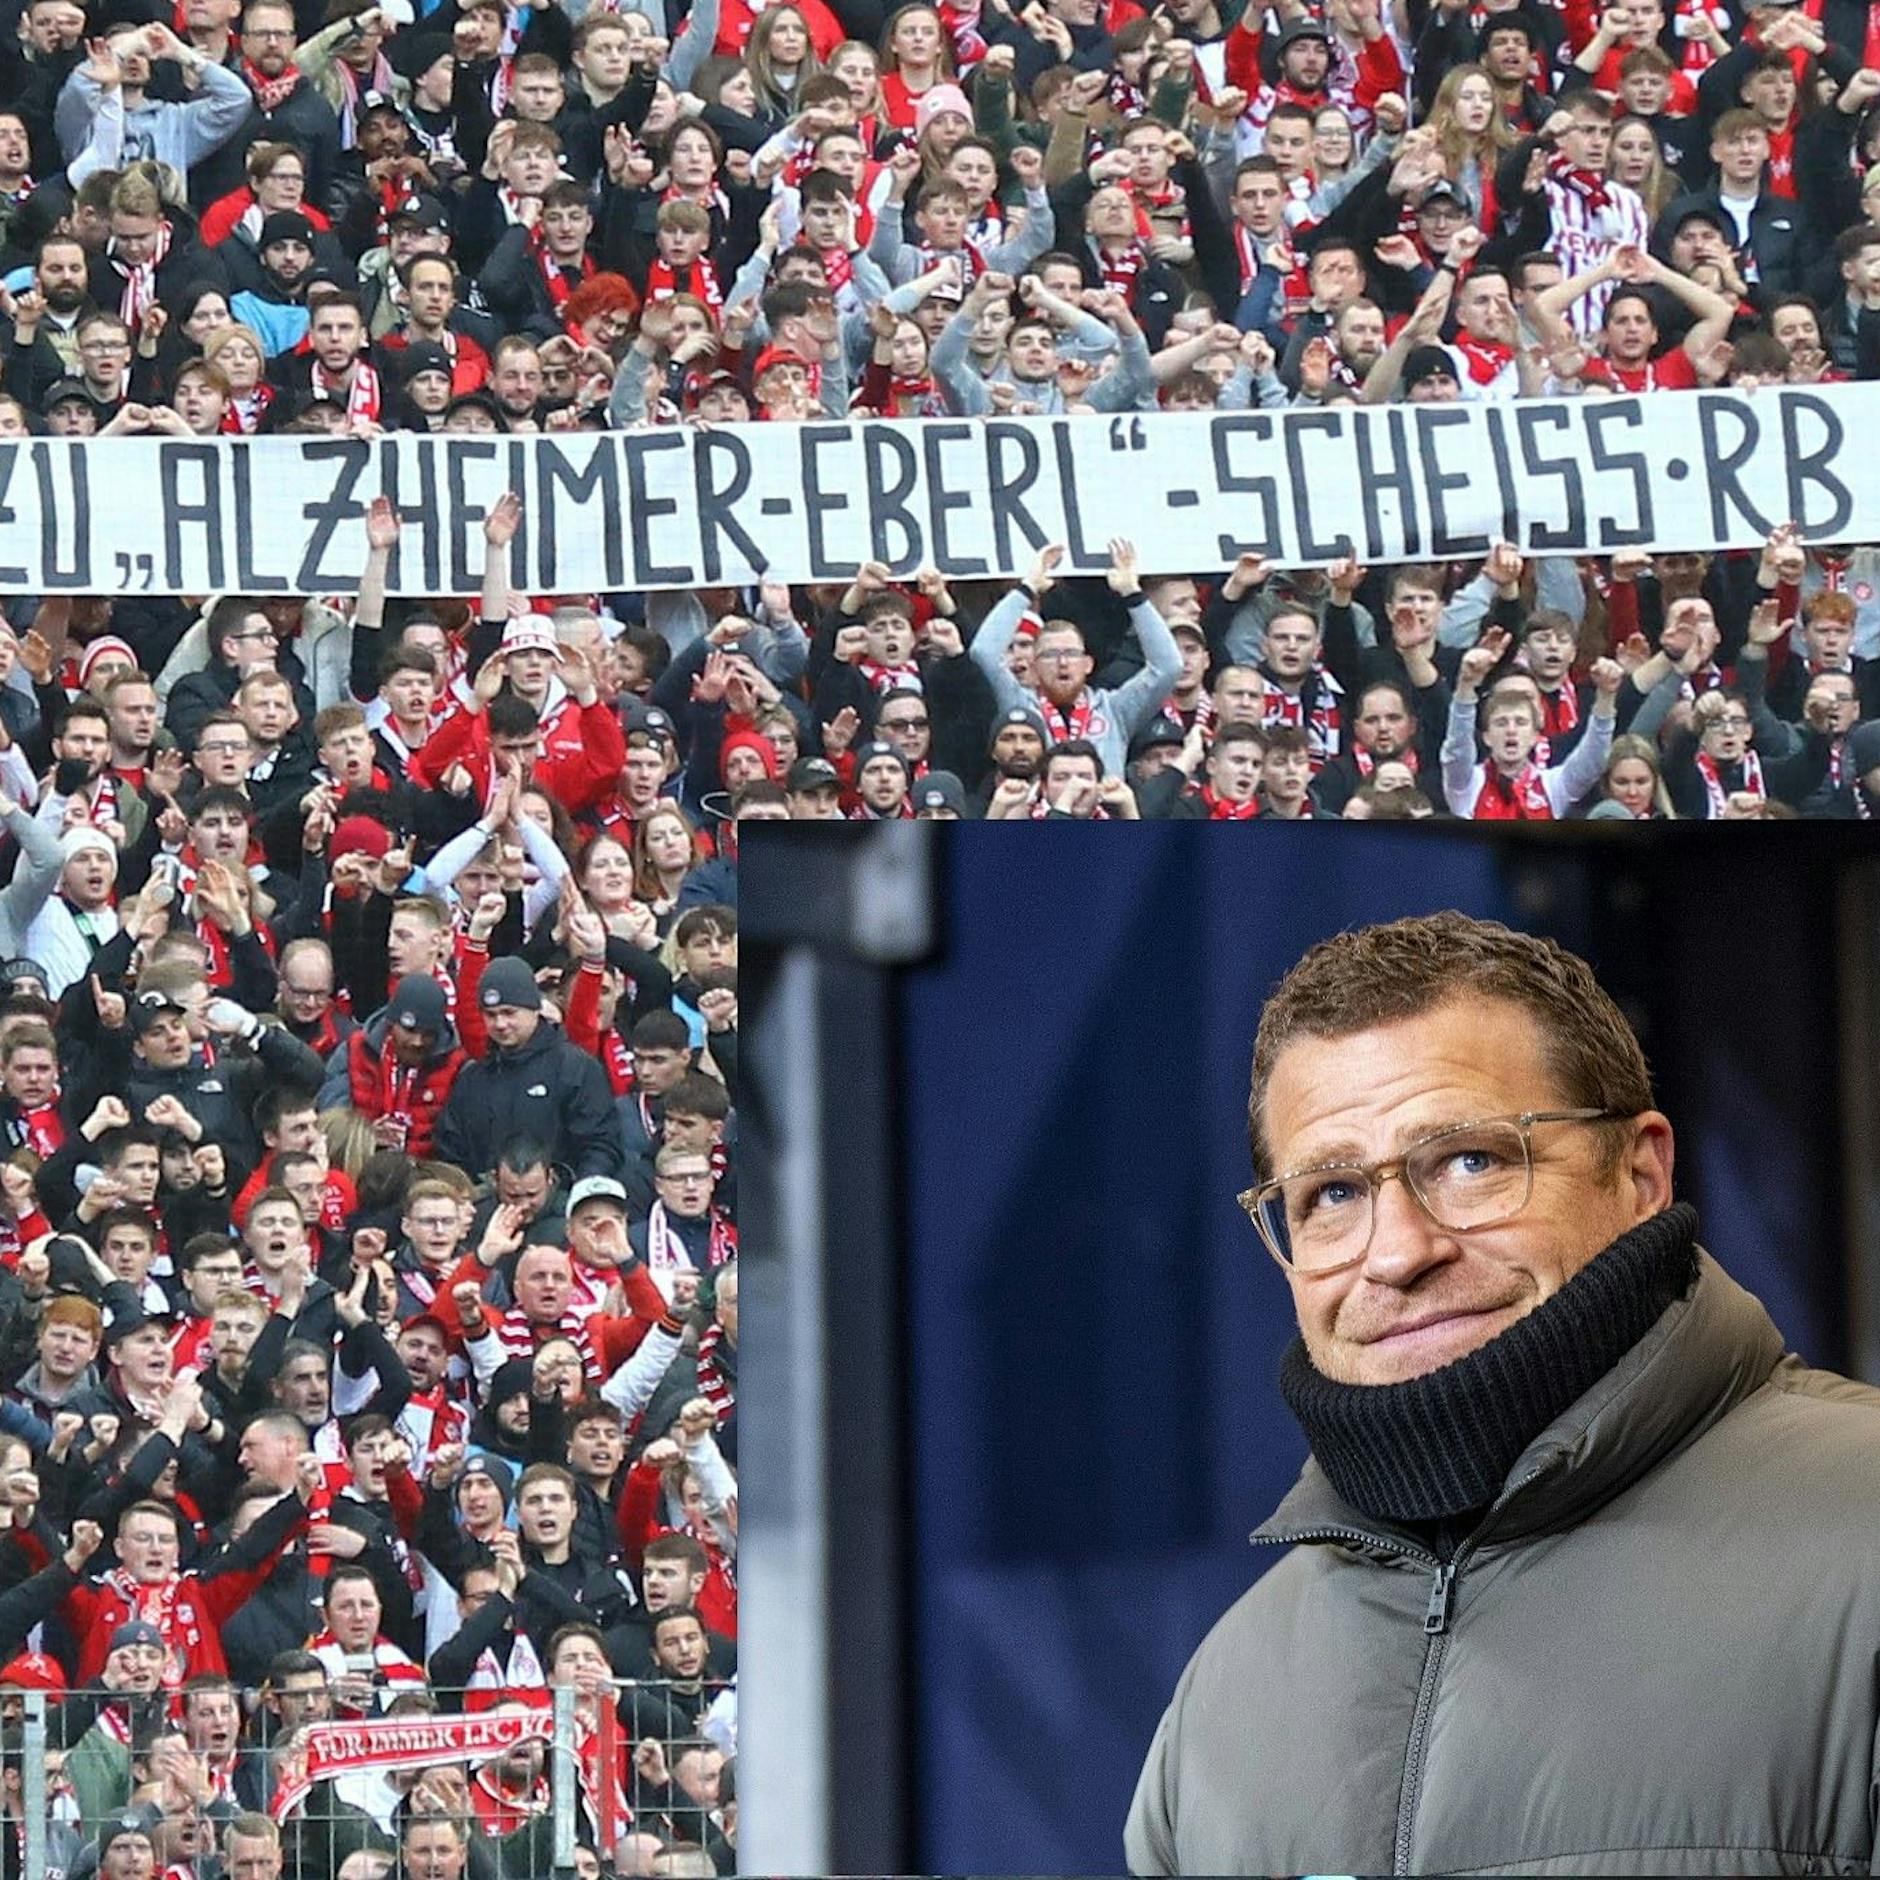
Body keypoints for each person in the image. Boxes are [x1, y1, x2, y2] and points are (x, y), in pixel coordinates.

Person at [1127, 912, 1880, 1875]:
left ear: (1641, 1170)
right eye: (1333, 1196)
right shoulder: (1224, 1701)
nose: (1398, 1253)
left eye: (1471, 1161)